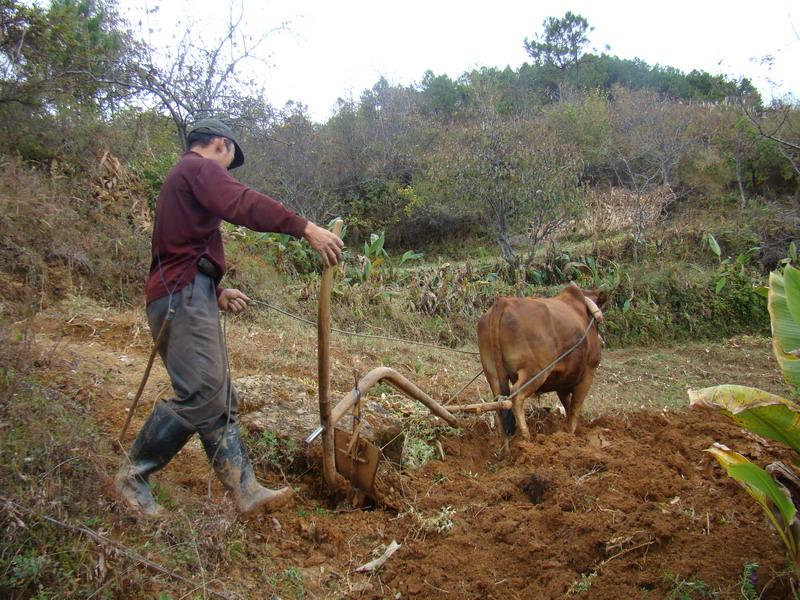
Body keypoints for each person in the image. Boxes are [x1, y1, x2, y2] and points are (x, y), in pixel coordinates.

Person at [114, 118, 343, 516]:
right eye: (229, 160)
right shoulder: (198, 168)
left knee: (218, 398)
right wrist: (304, 228)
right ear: (220, 145)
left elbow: (178, 247)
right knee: (201, 394)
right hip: (180, 296)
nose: (226, 173)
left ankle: (246, 491)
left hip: (187, 292)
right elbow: (243, 203)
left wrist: (215, 292)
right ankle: (132, 478)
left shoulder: (185, 178)